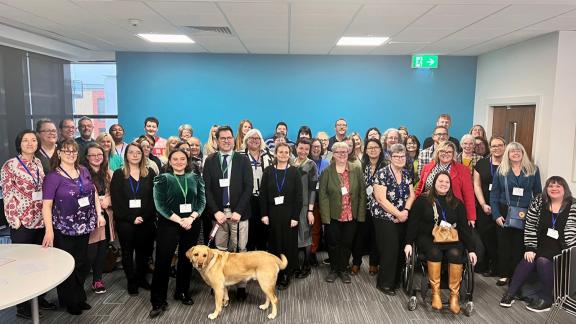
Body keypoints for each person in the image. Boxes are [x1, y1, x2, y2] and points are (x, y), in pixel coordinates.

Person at [42, 139, 103, 315]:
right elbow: (46, 206)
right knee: (67, 265)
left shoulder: (83, 170)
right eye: (67, 151)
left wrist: (98, 214)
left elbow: (94, 193)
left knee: (82, 263)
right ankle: (70, 300)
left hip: (84, 226)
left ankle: (79, 295)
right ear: (59, 153)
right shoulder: (53, 177)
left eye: (74, 151)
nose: (71, 154)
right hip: (64, 228)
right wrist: (49, 231)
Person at [1, 130, 56, 318]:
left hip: (40, 219)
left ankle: (39, 298)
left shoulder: (39, 163)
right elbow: (7, 195)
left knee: (40, 263)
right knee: (23, 264)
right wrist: (13, 220)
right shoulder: (10, 165)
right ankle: (23, 306)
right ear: (19, 143)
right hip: (22, 222)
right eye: (25, 140)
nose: (30, 143)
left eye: (33, 140)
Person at [405, 171, 478, 314]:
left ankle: (454, 297)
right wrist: (408, 243)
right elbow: (413, 224)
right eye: (440, 181)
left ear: (450, 185)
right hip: (428, 238)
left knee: (456, 254)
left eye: (447, 182)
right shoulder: (422, 200)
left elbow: (464, 228)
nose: (444, 184)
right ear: (434, 183)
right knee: (434, 252)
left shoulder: (457, 203)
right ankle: (436, 294)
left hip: (451, 238)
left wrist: (472, 249)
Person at [500, 176, 576, 312]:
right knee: (529, 258)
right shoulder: (539, 201)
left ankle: (546, 299)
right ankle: (510, 293)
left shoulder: (573, 206)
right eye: (551, 186)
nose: (554, 188)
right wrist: (530, 247)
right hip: (540, 244)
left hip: (563, 248)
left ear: (565, 189)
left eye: (558, 186)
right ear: (546, 189)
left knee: (541, 260)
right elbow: (530, 225)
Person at [149, 149, 206, 318]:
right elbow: (160, 205)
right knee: (163, 262)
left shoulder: (195, 178)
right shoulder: (163, 179)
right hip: (169, 225)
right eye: (175, 159)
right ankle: (158, 300)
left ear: (187, 161)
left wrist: (191, 217)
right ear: (170, 160)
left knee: (187, 259)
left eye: (183, 159)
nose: (179, 161)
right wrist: (179, 220)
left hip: (191, 223)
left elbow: (202, 201)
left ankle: (182, 292)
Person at [203, 125, 253, 301]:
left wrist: (238, 211)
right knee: (220, 251)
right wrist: (216, 212)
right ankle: (221, 283)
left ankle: (241, 286)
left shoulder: (242, 160)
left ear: (234, 139)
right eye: (222, 138)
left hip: (240, 214)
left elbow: (249, 187)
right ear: (216, 141)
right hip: (219, 216)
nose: (226, 141)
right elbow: (206, 189)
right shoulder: (209, 161)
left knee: (240, 250)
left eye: (229, 138)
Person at [490, 142, 542, 286]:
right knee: (503, 245)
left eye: (519, 150)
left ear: (523, 152)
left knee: (519, 245)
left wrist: (536, 214)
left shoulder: (533, 169)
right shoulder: (501, 170)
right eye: (512, 151)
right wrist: (496, 215)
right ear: (508, 154)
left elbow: (538, 193)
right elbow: (494, 194)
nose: (516, 153)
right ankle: (504, 274)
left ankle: (516, 275)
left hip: (525, 213)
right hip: (504, 211)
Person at [111, 142, 157, 296]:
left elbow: (154, 199)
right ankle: (131, 281)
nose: (135, 155)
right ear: (126, 155)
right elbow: (116, 200)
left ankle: (142, 278)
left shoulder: (150, 173)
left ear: (142, 155)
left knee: (144, 252)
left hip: (146, 220)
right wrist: (132, 218)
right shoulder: (119, 174)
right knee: (127, 252)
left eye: (138, 152)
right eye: (131, 152)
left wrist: (143, 217)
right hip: (126, 222)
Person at [319, 142, 366, 284]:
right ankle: (334, 269)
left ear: (348, 153)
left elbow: (362, 193)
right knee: (333, 243)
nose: (341, 154)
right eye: (338, 152)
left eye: (344, 152)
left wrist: (361, 215)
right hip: (333, 215)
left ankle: (343, 269)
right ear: (333, 154)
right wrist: (325, 217)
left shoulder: (356, 169)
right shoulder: (327, 171)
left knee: (347, 243)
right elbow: (323, 195)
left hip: (351, 214)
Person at [372, 144, 415, 295]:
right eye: (396, 156)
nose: (400, 159)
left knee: (401, 248)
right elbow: (381, 199)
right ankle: (384, 283)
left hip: (403, 215)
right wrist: (398, 214)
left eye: (402, 156)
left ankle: (395, 280)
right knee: (391, 248)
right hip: (384, 216)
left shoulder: (407, 173)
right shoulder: (382, 173)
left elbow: (412, 195)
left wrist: (406, 211)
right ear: (390, 157)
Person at [259, 143, 302, 290]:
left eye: (286, 152)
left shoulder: (295, 172)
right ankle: (275, 272)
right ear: (275, 154)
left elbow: (299, 197)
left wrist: (295, 217)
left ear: (290, 155)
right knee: (274, 243)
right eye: (280, 152)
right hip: (272, 213)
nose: (283, 154)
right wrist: (264, 214)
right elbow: (263, 194)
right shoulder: (269, 171)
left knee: (288, 244)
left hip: (289, 213)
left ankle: (286, 274)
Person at [416, 141, 476, 225]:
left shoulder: (463, 170)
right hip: (428, 207)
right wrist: (415, 205)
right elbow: (420, 187)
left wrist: (471, 217)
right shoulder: (427, 167)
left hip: (451, 208)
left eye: (449, 152)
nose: (445, 154)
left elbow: (469, 194)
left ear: (453, 154)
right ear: (437, 152)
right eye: (442, 151)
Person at [82, 143, 114, 294]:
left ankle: (97, 280)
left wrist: (108, 200)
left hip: (106, 215)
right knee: (90, 252)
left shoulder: (109, 173)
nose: (96, 158)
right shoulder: (81, 174)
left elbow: (116, 191)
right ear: (86, 157)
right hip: (90, 217)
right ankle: (79, 283)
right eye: (92, 155)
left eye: (99, 155)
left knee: (102, 249)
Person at [473, 136, 506, 277]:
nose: (496, 148)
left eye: (500, 145)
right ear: (489, 147)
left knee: (501, 238)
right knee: (486, 237)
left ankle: (500, 267)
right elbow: (477, 185)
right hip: (485, 206)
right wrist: (482, 204)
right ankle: (487, 265)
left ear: (505, 146)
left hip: (504, 207)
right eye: (493, 146)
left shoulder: (510, 164)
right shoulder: (482, 163)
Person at [352, 138, 384, 277]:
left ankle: (373, 264)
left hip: (380, 207)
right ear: (365, 150)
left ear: (380, 149)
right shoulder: (362, 165)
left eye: (375, 147)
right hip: (363, 207)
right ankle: (356, 263)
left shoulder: (385, 165)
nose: (372, 150)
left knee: (375, 237)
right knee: (359, 236)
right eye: (370, 147)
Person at [240, 129, 273, 251]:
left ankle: (262, 254)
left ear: (261, 140)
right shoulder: (239, 156)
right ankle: (249, 255)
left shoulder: (269, 156)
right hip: (246, 198)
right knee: (249, 229)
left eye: (257, 138)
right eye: (251, 138)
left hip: (264, 198)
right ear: (246, 140)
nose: (254, 140)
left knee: (263, 227)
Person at [292, 138, 318, 279]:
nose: (303, 151)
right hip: (291, 205)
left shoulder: (311, 165)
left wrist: (310, 211)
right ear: (296, 147)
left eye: (306, 149)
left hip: (304, 206)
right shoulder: (290, 162)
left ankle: (306, 267)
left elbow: (313, 189)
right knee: (294, 236)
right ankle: (296, 266)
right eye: (301, 148)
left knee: (305, 236)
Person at [309, 138, 330, 265]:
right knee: (315, 228)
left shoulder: (326, 163)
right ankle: (312, 252)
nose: (316, 149)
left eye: (318, 146)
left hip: (325, 198)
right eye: (314, 146)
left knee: (327, 227)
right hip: (312, 198)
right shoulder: (307, 162)